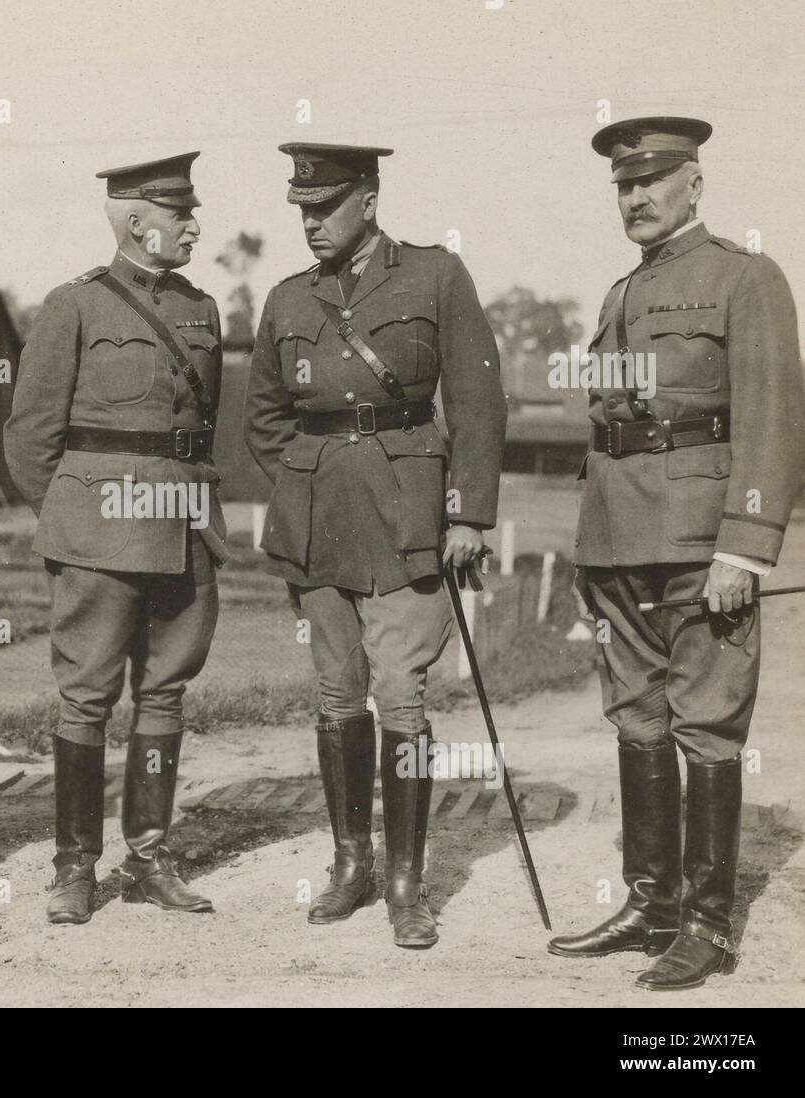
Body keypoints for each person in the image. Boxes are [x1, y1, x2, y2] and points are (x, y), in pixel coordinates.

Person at [548, 117, 804, 990]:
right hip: (620, 540)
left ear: (695, 183)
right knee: (639, 717)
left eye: (654, 180)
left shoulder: (746, 277)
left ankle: (707, 923)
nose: (637, 196)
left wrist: (748, 547)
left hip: (701, 541)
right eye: (624, 184)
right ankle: (650, 904)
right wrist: (591, 547)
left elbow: (773, 422)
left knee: (707, 720)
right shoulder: (623, 291)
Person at [245, 143, 506, 946]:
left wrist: (465, 514)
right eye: (301, 211)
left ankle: (406, 880)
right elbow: (261, 417)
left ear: (369, 198)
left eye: (324, 208)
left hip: (407, 518)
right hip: (321, 519)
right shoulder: (289, 299)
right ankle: (351, 863)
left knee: (401, 694)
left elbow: (477, 396)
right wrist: (302, 481)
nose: (311, 223)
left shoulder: (434, 276)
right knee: (335, 692)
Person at [3, 153, 227, 924]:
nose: (194, 225)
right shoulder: (73, 306)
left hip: (184, 526)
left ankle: (151, 853)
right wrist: (77, 515)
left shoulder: (203, 309)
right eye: (179, 215)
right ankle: (75, 866)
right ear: (139, 223)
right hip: (99, 533)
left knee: (165, 691)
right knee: (87, 698)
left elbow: (202, 429)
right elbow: (30, 435)